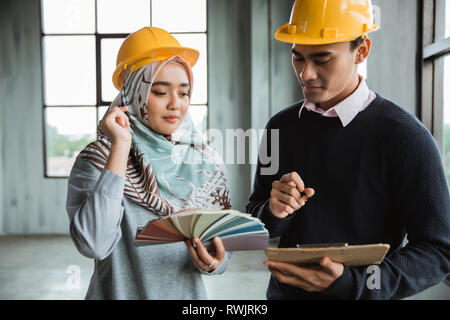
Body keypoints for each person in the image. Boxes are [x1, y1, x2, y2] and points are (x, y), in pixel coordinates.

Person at [246, 0, 450, 300]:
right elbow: (256, 220)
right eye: (298, 58)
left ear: (362, 50)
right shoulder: (279, 127)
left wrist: (354, 282)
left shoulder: (406, 138)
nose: (306, 73)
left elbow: (438, 250)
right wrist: (274, 211)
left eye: (322, 58)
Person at [66, 27, 232, 300]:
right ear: (134, 93)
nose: (175, 104)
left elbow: (224, 253)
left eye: (184, 93)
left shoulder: (204, 163)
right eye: (159, 92)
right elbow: (94, 244)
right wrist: (121, 147)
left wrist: (214, 263)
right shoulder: (97, 159)